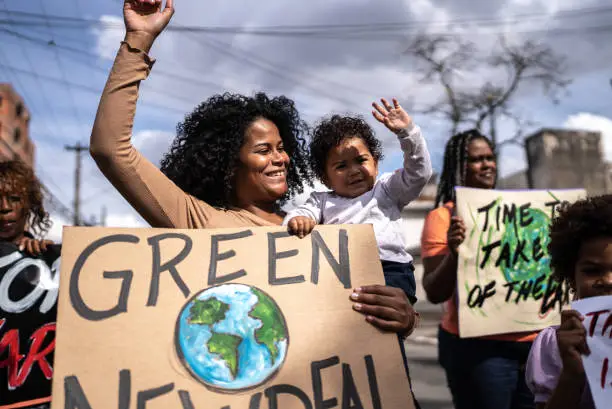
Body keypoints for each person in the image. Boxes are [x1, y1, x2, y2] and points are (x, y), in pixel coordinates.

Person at [91, 0, 418, 355]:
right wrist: (138, 42)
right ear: (228, 164)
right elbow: (111, 150)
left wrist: (406, 317)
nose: (280, 159)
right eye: (264, 150)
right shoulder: (198, 220)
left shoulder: (317, 223)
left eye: (282, 147)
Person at [420, 129, 536, 409]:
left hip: (535, 346)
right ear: (459, 168)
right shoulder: (443, 217)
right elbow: (435, 292)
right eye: (477, 160)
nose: (487, 165)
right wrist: (455, 252)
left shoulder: (523, 213)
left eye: (490, 157)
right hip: (479, 350)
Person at [284, 101, 432, 306]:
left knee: (385, 325)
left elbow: (419, 173)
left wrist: (408, 134)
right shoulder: (321, 202)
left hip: (390, 270)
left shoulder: (387, 189)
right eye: (341, 166)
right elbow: (300, 214)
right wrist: (299, 219)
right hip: (340, 274)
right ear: (325, 178)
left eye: (361, 160)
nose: (354, 170)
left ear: (376, 163)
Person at [525, 195, 612, 409]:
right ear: (572, 278)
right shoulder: (554, 344)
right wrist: (572, 373)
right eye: (592, 271)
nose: (608, 281)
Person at [0, 160, 59, 409]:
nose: (4, 208)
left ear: (30, 204)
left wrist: (42, 258)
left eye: (13, 198)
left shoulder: (48, 261)